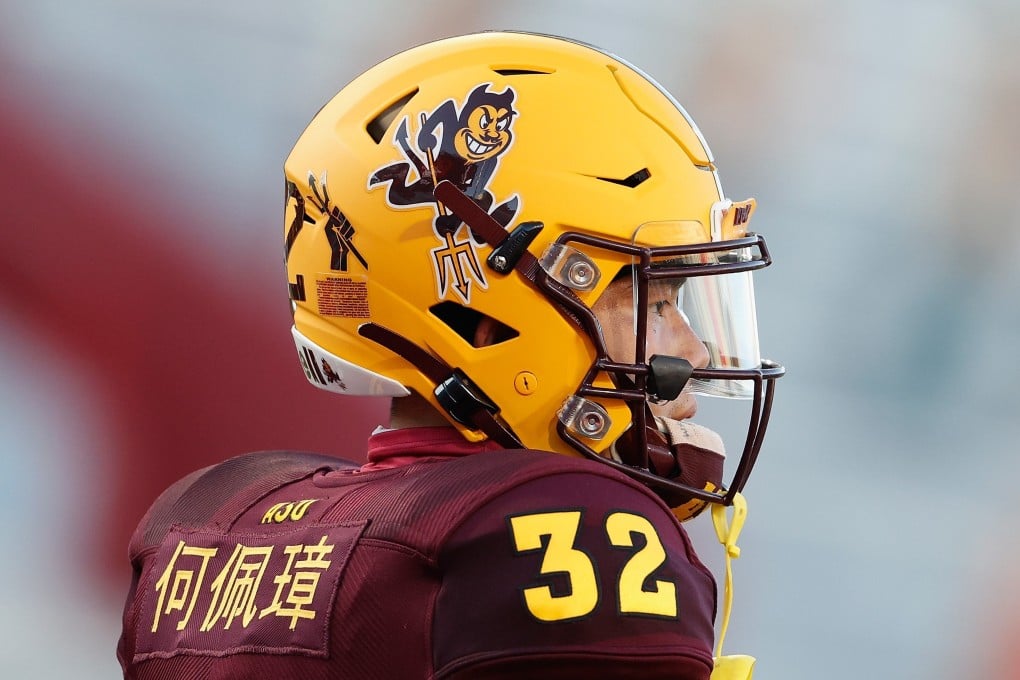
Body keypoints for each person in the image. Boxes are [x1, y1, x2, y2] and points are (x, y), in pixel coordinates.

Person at [117, 31, 783, 679]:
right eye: (654, 303)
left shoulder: (206, 526)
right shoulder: (576, 535)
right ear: (488, 318)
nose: (692, 350)